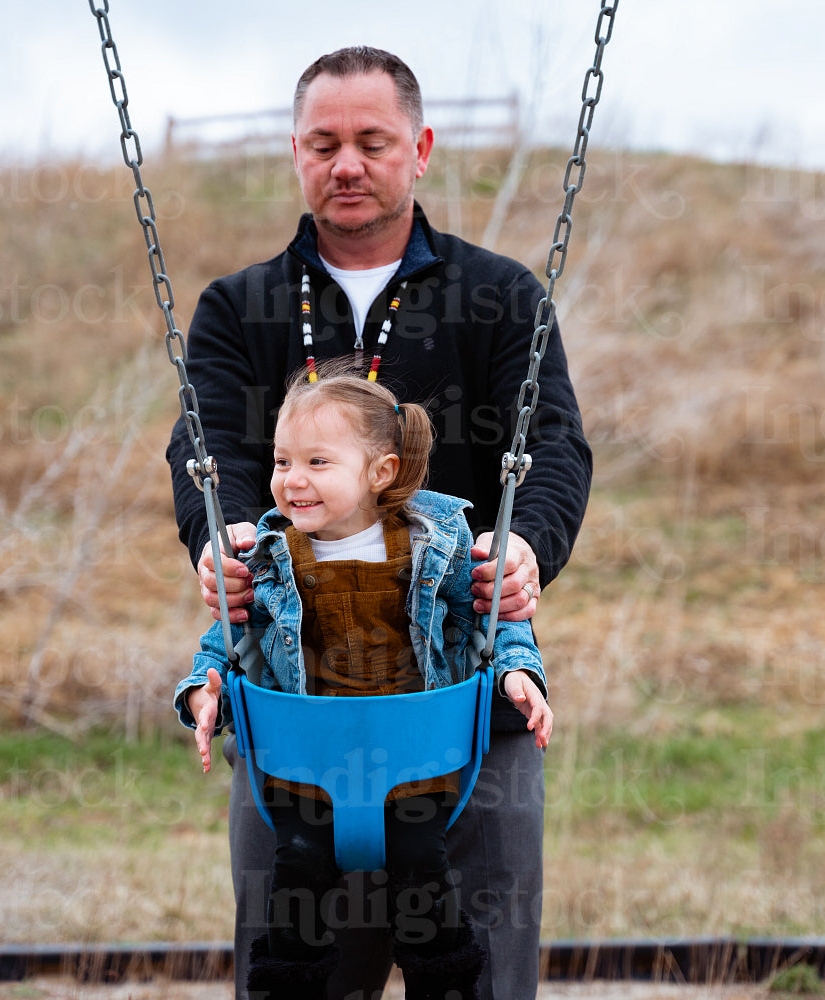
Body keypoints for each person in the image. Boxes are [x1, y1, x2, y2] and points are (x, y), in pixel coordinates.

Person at [167, 45, 592, 1000]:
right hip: (295, 705)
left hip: (467, 692)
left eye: (372, 140)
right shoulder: (241, 308)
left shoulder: (500, 295)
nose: (347, 163)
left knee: (475, 970)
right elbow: (208, 456)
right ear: (296, 153)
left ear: (421, 148)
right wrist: (224, 535)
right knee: (299, 971)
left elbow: (555, 448)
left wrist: (524, 547)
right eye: (324, 143)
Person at [177, 370, 554, 999]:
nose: (292, 479)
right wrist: (204, 688)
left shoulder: (436, 543)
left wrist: (518, 673)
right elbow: (228, 637)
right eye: (282, 461)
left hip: (413, 765)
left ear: (380, 471)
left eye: (317, 462)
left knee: (423, 879)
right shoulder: (270, 551)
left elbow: (489, 621)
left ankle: (442, 986)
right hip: (306, 767)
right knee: (294, 878)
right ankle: (288, 989)